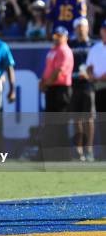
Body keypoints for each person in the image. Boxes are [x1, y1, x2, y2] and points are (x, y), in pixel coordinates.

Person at [40, 26, 74, 158]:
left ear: (66, 37)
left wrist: (46, 83)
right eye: (55, 35)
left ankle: (64, 154)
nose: (57, 38)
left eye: (59, 35)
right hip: (52, 88)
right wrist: (43, 81)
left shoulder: (65, 51)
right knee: (50, 122)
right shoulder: (53, 50)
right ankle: (50, 152)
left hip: (61, 90)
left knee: (60, 121)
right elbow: (48, 69)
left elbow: (59, 71)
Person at [68, 18, 95, 161]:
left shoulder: (93, 45)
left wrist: (90, 75)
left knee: (89, 118)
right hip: (74, 85)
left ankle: (89, 149)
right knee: (76, 119)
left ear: (87, 28)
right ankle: (78, 150)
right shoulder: (70, 45)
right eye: (78, 27)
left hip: (89, 86)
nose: (80, 29)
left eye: (83, 27)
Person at [86, 20, 106, 155]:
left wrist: (97, 78)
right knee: (101, 121)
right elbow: (89, 67)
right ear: (101, 31)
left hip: (101, 84)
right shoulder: (96, 48)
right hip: (98, 89)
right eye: (105, 29)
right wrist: (91, 76)